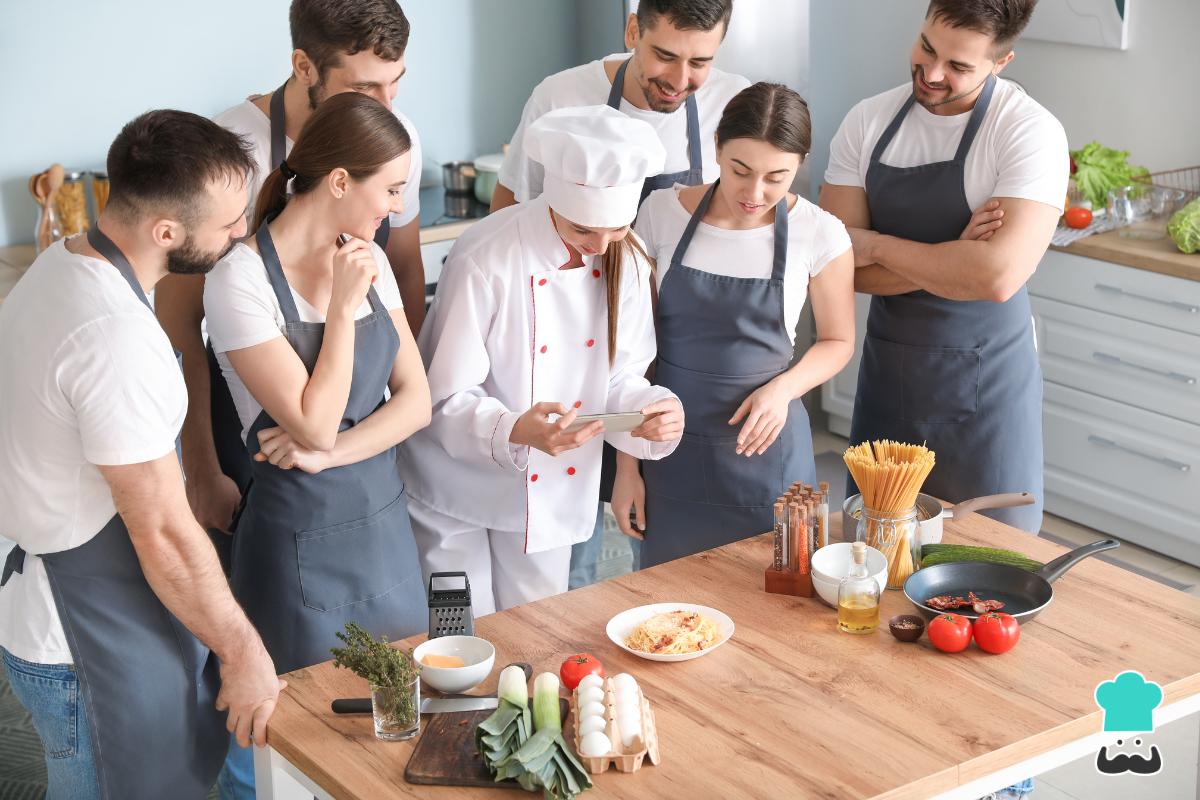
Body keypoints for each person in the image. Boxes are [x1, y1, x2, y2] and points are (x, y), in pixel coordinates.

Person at [0, 110, 283, 800]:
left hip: (58, 609)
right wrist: (244, 652)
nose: (241, 232)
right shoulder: (113, 337)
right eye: (229, 223)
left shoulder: (64, 260)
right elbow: (160, 531)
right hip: (82, 642)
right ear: (166, 233)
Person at [203, 91, 430, 799]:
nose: (393, 208)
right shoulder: (238, 279)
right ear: (339, 182)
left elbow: (416, 404)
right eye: (388, 190)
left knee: (397, 721)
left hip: (384, 529)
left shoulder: (367, 259)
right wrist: (339, 306)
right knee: (294, 740)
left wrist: (331, 456)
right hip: (296, 544)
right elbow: (313, 421)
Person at [154, 0, 425, 556]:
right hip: (254, 438)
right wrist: (201, 468)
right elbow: (179, 323)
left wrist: (395, 423)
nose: (387, 105)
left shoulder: (394, 141)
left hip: (368, 466)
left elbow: (404, 268)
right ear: (305, 67)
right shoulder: (225, 153)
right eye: (366, 88)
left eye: (395, 83)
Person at [494, 0, 750, 587]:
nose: (680, 80)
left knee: (662, 542)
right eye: (664, 55)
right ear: (632, 28)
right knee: (569, 536)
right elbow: (510, 214)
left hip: (678, 348)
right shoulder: (561, 97)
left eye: (700, 63)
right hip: (569, 345)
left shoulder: (732, 107)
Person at [399, 106, 685, 616]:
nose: (600, 246)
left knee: (539, 633)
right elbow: (441, 398)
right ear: (554, 200)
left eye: (615, 229)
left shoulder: (630, 258)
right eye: (583, 230)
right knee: (459, 639)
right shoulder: (484, 256)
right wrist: (514, 428)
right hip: (452, 491)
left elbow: (619, 377)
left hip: (549, 489)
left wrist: (650, 411)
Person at [820, 0, 1067, 535]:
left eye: (958, 66)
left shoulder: (1028, 132)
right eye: (927, 48)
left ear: (1001, 63)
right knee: (873, 560)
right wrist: (955, 253)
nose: (932, 74)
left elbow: (996, 277)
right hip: (889, 385)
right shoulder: (868, 121)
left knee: (986, 567)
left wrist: (876, 244)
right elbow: (835, 267)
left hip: (986, 400)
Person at [618, 83, 854, 566]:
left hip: (768, 455)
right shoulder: (661, 213)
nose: (754, 193)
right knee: (666, 614)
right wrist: (626, 468)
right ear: (718, 147)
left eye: (776, 177)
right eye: (739, 170)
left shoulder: (820, 232)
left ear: (800, 163)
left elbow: (838, 340)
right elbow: (630, 350)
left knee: (778, 607)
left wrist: (783, 389)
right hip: (667, 450)